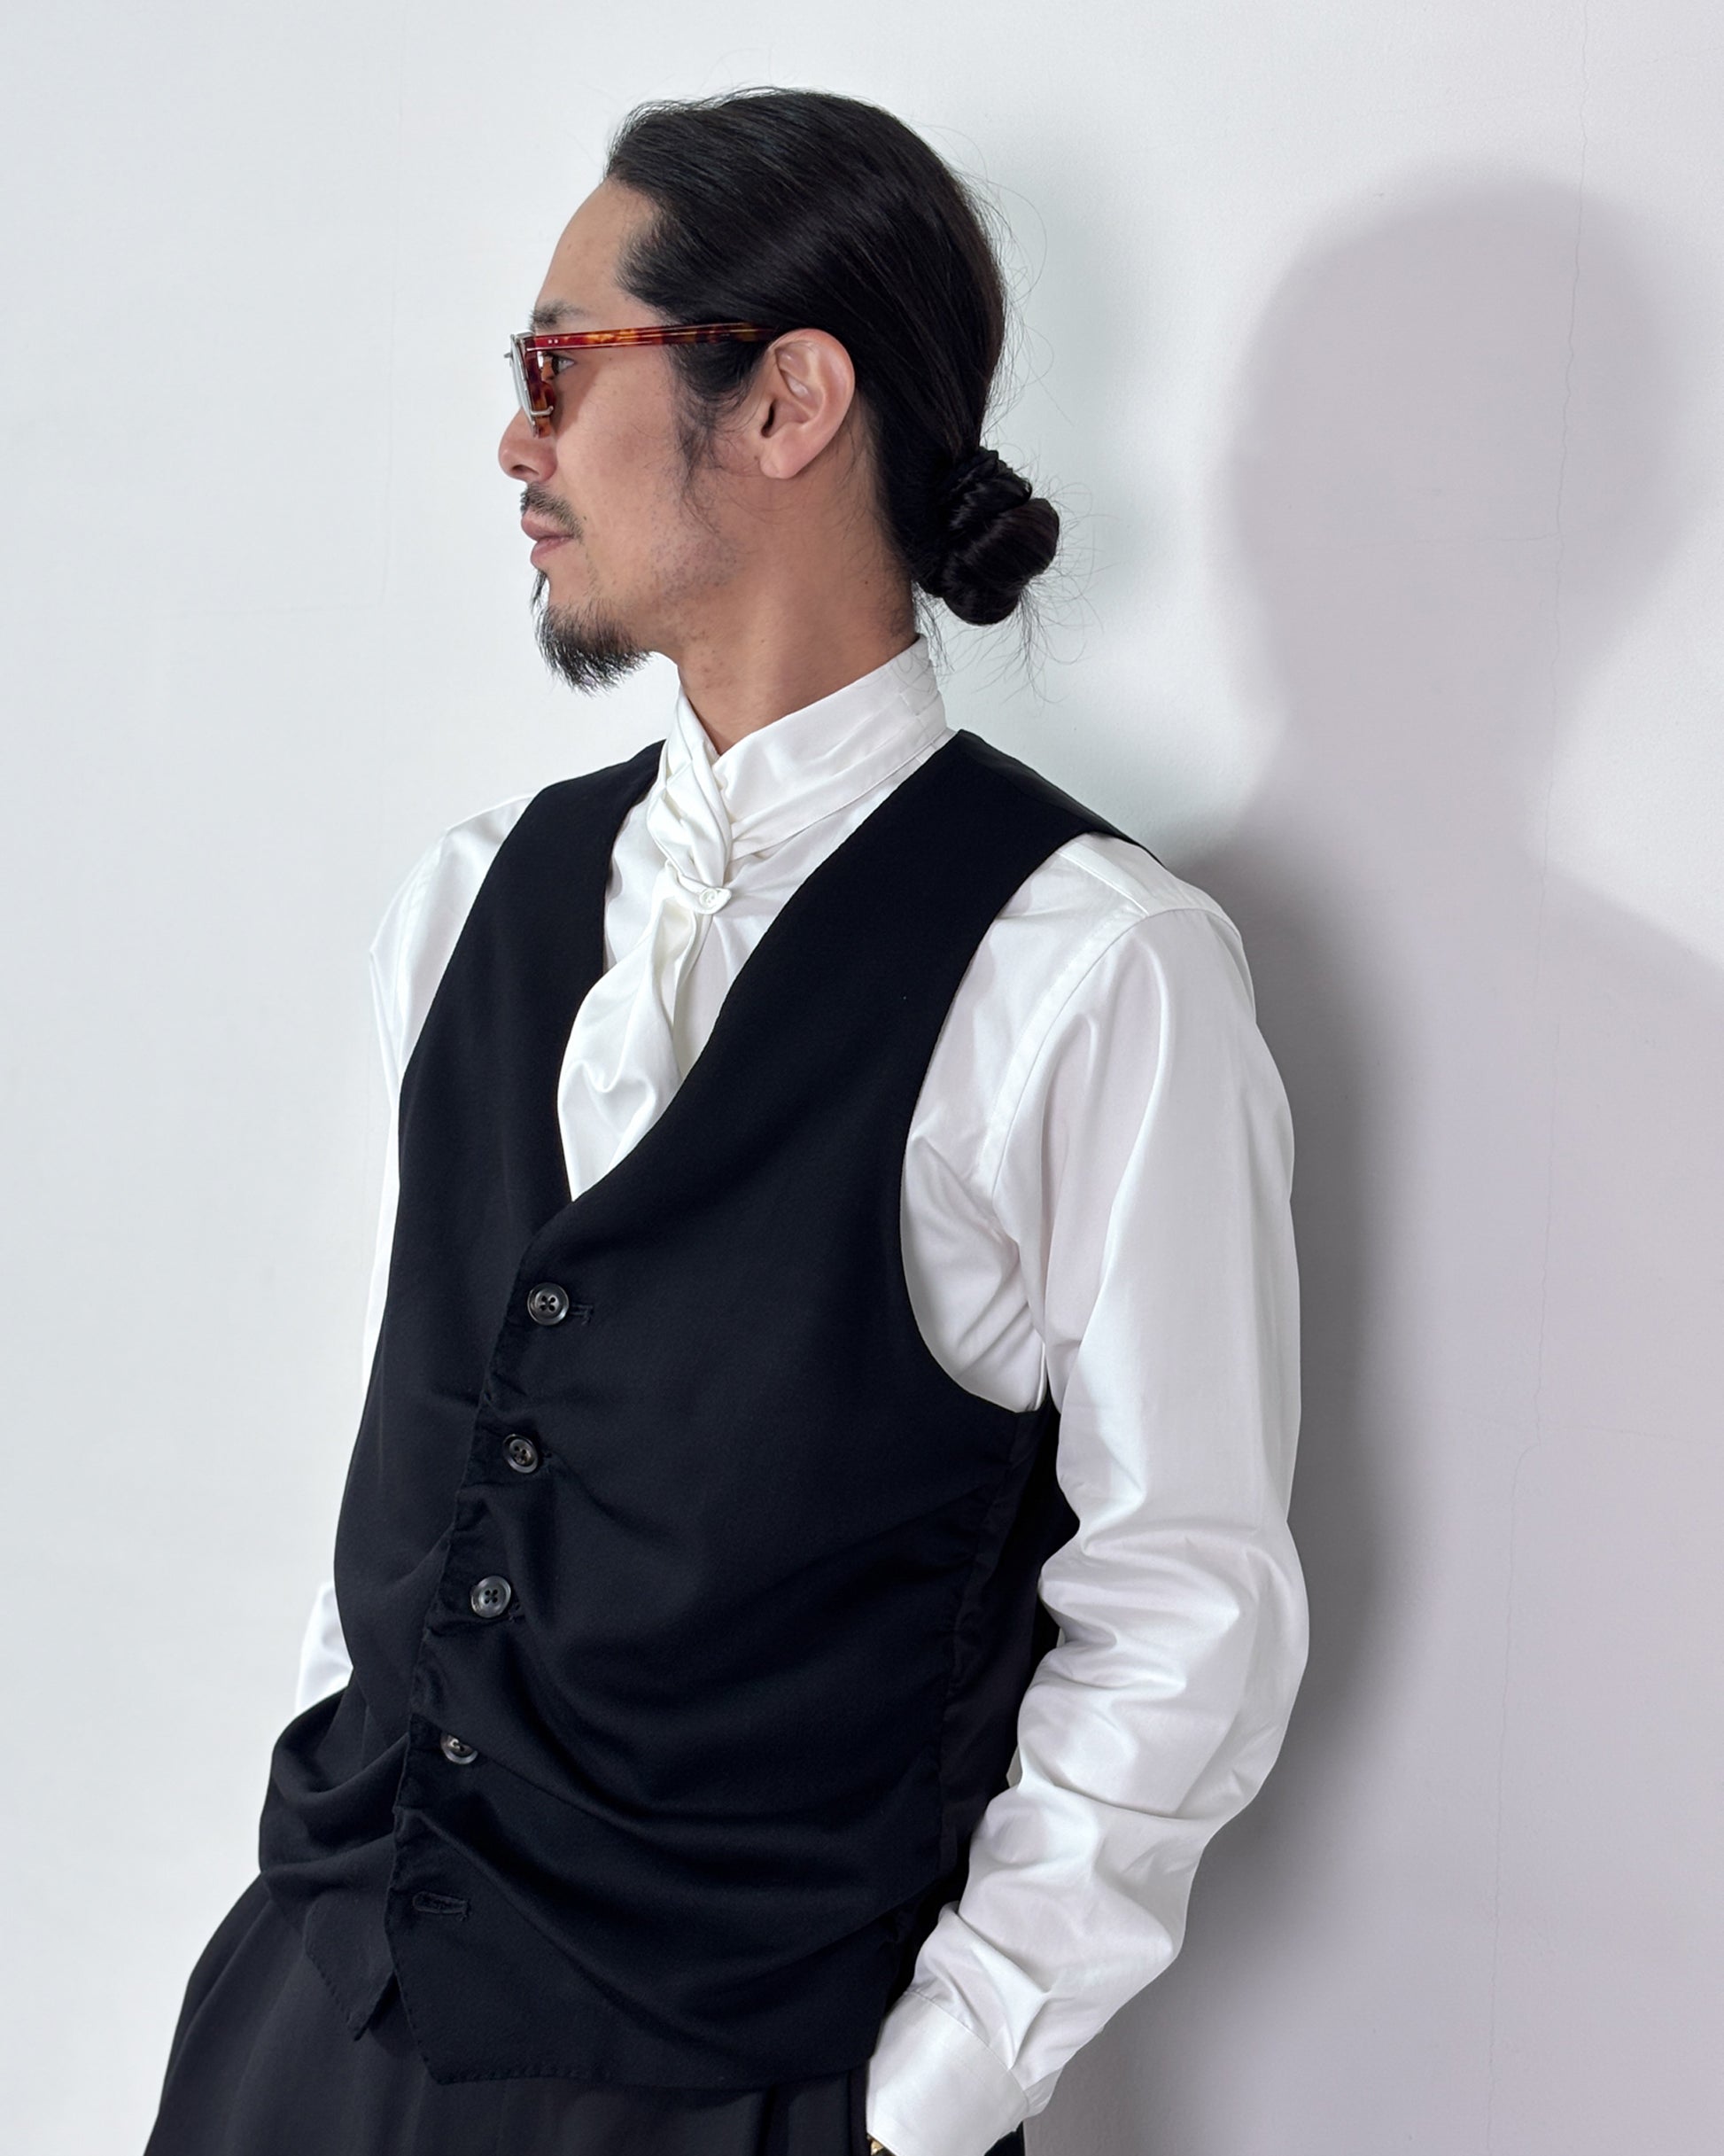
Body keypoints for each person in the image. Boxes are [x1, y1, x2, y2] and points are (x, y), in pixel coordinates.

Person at [143, 86, 1309, 2156]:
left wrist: (926, 2095)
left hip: (740, 2080)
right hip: (314, 2033)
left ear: (786, 402)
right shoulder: (477, 894)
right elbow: (427, 1451)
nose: (516, 442)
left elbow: (1183, 1600)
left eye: (558, 368)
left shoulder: (1087, 968)